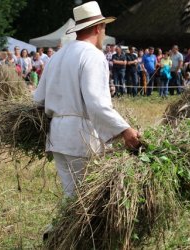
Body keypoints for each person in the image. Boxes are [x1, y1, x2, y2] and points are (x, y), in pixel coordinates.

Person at [33, 1, 141, 198]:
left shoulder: (56, 56)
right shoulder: (93, 55)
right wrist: (126, 130)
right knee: (86, 201)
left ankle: (58, 229)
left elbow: (38, 98)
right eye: (104, 28)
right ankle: (61, 230)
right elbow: (97, 103)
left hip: (58, 137)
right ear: (98, 28)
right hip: (81, 138)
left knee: (72, 197)